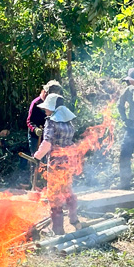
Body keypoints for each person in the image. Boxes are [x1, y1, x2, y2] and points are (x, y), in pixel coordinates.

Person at [33, 94, 81, 235]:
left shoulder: (51, 121)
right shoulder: (68, 123)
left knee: (54, 196)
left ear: (53, 108)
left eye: (47, 107)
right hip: (68, 162)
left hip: (55, 163)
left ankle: (57, 229)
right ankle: (74, 220)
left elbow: (47, 142)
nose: (45, 110)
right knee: (67, 190)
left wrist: (37, 156)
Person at [27, 80, 63, 156]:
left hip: (50, 136)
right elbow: (29, 121)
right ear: (46, 92)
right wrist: (35, 129)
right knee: (36, 157)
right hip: (36, 137)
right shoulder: (36, 103)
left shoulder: (57, 103)